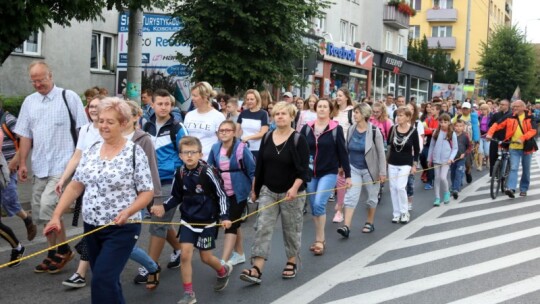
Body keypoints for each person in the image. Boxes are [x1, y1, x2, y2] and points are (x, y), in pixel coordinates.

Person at [44, 97, 154, 303]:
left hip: (122, 227)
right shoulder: (92, 150)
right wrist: (56, 216)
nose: (103, 126)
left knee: (102, 279)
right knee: (108, 281)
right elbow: (76, 185)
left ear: (122, 124)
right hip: (92, 227)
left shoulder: (134, 152)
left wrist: (128, 211)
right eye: (101, 120)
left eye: (109, 122)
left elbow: (147, 192)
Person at [15, 60, 88, 273]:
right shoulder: (29, 102)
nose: (38, 84)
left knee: (49, 205)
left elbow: (83, 132)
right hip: (40, 166)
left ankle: (63, 249)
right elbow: (25, 136)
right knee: (40, 212)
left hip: (63, 166)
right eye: (34, 81)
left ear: (51, 76)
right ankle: (53, 252)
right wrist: (22, 163)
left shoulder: (69, 97)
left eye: (41, 79)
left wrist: (81, 162)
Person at [152, 136, 232, 304]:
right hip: (188, 220)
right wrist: (163, 207)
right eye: (185, 153)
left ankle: (223, 270)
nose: (189, 156)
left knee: (205, 258)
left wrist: (225, 216)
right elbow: (175, 196)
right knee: (185, 256)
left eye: (193, 152)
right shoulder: (180, 172)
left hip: (207, 221)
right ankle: (189, 293)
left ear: (200, 154)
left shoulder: (208, 171)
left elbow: (221, 195)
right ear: (180, 155)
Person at [240, 102, 309, 284]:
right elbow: (260, 166)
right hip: (268, 190)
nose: (279, 116)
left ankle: (292, 261)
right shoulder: (267, 137)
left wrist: (294, 188)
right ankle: (257, 268)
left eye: (283, 114)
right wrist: (255, 189)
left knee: (291, 229)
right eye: (276, 113)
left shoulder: (298, 139)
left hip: (291, 192)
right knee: (262, 227)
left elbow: (304, 171)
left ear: (292, 117)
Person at [139, 89, 188, 284]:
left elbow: (186, 153)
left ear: (171, 105)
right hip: (148, 183)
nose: (163, 107)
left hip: (169, 181)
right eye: (160, 103)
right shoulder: (146, 125)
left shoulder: (177, 127)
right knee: (162, 221)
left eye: (167, 104)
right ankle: (179, 250)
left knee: (158, 223)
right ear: (153, 105)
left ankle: (150, 267)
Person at [54, 95, 104, 288]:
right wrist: (63, 179)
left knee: (96, 232)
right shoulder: (85, 130)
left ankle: (82, 272)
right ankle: (84, 272)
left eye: (97, 107)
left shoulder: (110, 129)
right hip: (87, 187)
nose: (93, 110)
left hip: (106, 190)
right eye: (91, 106)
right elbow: (77, 157)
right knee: (90, 230)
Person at [301, 99, 351, 255]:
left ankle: (320, 240)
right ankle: (319, 238)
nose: (322, 109)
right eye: (319, 106)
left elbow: (343, 152)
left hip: (328, 172)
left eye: (325, 106)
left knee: (319, 204)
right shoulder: (307, 128)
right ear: (316, 109)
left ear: (330, 110)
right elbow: (300, 150)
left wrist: (348, 176)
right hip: (310, 173)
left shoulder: (336, 129)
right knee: (314, 207)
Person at [208, 120, 255, 266]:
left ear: (234, 133)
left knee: (231, 224)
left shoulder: (241, 148)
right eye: (221, 130)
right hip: (222, 192)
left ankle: (223, 261)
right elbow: (209, 169)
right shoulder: (215, 148)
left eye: (227, 130)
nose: (224, 133)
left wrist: (254, 190)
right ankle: (239, 254)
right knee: (235, 223)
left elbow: (253, 171)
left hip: (239, 191)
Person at [338, 103, 386, 237]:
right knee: (351, 197)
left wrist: (382, 173)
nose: (354, 115)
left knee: (372, 197)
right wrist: (343, 166)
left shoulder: (375, 132)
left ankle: (369, 222)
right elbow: (346, 149)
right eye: (354, 112)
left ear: (364, 114)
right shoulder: (352, 129)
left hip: (370, 169)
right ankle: (346, 226)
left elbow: (381, 154)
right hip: (353, 168)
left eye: (357, 112)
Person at [0, 99, 37, 241]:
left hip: (7, 169)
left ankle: (27, 218)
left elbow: (26, 140)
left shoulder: (8, 120)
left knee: (9, 200)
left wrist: (15, 162)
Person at [486, 100, 538, 197]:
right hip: (513, 147)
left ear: (523, 107)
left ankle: (523, 188)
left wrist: (522, 138)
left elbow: (533, 130)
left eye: (517, 107)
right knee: (513, 168)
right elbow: (497, 124)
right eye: (513, 106)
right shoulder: (510, 116)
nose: (514, 108)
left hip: (527, 147)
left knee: (526, 170)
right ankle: (511, 188)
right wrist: (489, 134)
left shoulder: (530, 117)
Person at [386, 106, 420, 224]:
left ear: (408, 117)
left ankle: (404, 212)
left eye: (401, 115)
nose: (398, 118)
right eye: (397, 115)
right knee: (393, 188)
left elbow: (416, 149)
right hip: (392, 162)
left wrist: (414, 165)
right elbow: (388, 145)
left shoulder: (413, 131)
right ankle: (396, 213)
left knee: (400, 187)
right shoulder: (393, 129)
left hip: (406, 163)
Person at [183, 82, 225, 160]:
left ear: (205, 96)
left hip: (209, 161)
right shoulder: (189, 115)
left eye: (195, 96)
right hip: (190, 161)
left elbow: (223, 141)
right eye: (192, 95)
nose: (192, 98)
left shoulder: (218, 116)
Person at [331, 87, 355, 223]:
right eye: (336, 95)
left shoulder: (352, 112)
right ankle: (340, 201)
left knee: (341, 179)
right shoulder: (333, 112)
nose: (338, 98)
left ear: (346, 97)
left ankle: (339, 210)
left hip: (346, 150)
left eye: (340, 95)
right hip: (331, 149)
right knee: (334, 179)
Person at [427, 114, 458, 206]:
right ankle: (437, 198)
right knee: (436, 178)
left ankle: (446, 192)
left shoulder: (452, 133)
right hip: (436, 159)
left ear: (449, 122)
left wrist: (451, 158)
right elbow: (432, 146)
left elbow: (455, 148)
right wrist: (429, 159)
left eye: (445, 122)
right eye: (441, 122)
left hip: (446, 160)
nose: (443, 124)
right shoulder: (436, 132)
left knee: (443, 177)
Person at [451, 101, 480, 184]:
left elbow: (476, 129)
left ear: (470, 109)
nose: (465, 110)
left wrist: (477, 141)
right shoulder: (458, 117)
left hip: (470, 142)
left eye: (466, 109)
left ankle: (468, 172)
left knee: (468, 162)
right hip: (459, 141)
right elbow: (451, 123)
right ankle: (459, 180)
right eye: (463, 109)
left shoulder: (473, 118)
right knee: (459, 161)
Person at [237, 89, 269, 159]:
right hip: (243, 148)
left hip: (257, 149)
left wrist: (248, 137)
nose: (249, 101)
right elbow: (237, 130)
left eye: (252, 99)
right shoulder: (243, 113)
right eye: (247, 99)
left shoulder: (263, 114)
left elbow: (263, 133)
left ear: (257, 100)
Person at [406, 103, 424, 211]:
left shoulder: (418, 124)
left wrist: (416, 155)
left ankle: (409, 201)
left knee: (410, 181)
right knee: (400, 183)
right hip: (401, 156)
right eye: (408, 109)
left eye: (412, 109)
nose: (410, 111)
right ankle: (402, 201)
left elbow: (420, 141)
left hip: (412, 155)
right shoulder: (399, 122)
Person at [488, 99, 512, 176]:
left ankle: (505, 172)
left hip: (506, 138)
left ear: (507, 106)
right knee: (493, 155)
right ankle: (493, 173)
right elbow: (490, 125)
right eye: (500, 104)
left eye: (503, 104)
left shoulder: (511, 115)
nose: (501, 106)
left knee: (506, 156)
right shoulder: (496, 115)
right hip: (496, 137)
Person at [450, 120, 472, 199]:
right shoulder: (451, 135)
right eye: (457, 126)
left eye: (460, 126)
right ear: (454, 127)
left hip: (461, 158)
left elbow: (469, 147)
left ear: (463, 127)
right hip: (452, 159)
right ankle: (453, 186)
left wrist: (465, 153)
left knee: (458, 173)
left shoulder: (465, 136)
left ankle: (456, 189)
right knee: (453, 173)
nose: (458, 128)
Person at [421, 103, 441, 189]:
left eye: (433, 109)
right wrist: (431, 130)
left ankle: (430, 181)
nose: (430, 110)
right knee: (422, 157)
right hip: (427, 142)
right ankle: (426, 171)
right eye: (430, 109)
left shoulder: (440, 120)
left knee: (431, 162)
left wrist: (430, 130)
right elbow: (423, 130)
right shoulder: (428, 120)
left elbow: (437, 132)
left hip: (436, 144)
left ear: (438, 111)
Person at [477, 103, 492, 171]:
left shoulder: (490, 117)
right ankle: (480, 166)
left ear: (487, 110)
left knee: (486, 152)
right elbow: (477, 125)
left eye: (484, 109)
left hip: (487, 136)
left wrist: (488, 133)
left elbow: (491, 126)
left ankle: (487, 161)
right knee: (480, 151)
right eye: (481, 109)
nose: (482, 111)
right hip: (480, 135)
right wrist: (478, 132)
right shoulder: (480, 117)